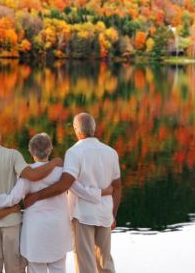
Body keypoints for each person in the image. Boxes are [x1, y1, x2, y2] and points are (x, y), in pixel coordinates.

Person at [0, 133, 113, 273]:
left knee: (35, 269)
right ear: (50, 150)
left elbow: (12, 199)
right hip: (58, 229)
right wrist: (104, 192)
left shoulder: (27, 174)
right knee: (58, 269)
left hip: (35, 230)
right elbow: (82, 191)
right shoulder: (62, 171)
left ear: (31, 151)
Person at [0, 120, 62, 273]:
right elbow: (32, 176)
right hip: (12, 219)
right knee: (15, 265)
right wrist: (53, 163)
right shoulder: (13, 155)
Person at [24, 113, 122, 273]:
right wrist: (113, 214)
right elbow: (117, 187)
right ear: (94, 128)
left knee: (85, 265)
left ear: (76, 130)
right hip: (105, 214)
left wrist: (37, 196)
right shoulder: (110, 152)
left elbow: (65, 184)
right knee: (105, 263)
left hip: (82, 215)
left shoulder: (74, 152)